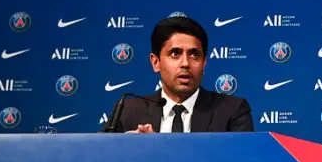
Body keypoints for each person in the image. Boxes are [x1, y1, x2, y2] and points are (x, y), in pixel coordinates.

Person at [103, 16, 254, 133]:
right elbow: (100, 159)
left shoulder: (232, 110)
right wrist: (123, 148)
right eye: (175, 53)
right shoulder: (128, 111)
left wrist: (155, 148)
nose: (185, 63)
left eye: (194, 55)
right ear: (156, 63)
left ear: (204, 63)